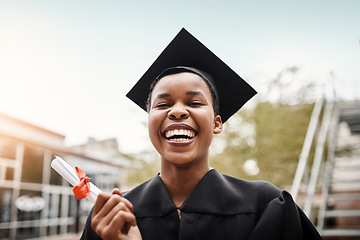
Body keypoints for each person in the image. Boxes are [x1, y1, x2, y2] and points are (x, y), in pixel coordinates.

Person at [81, 28, 322, 240]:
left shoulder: (266, 205)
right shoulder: (111, 216)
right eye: (163, 105)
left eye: (194, 103)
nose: (177, 111)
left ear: (217, 123)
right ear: (150, 123)